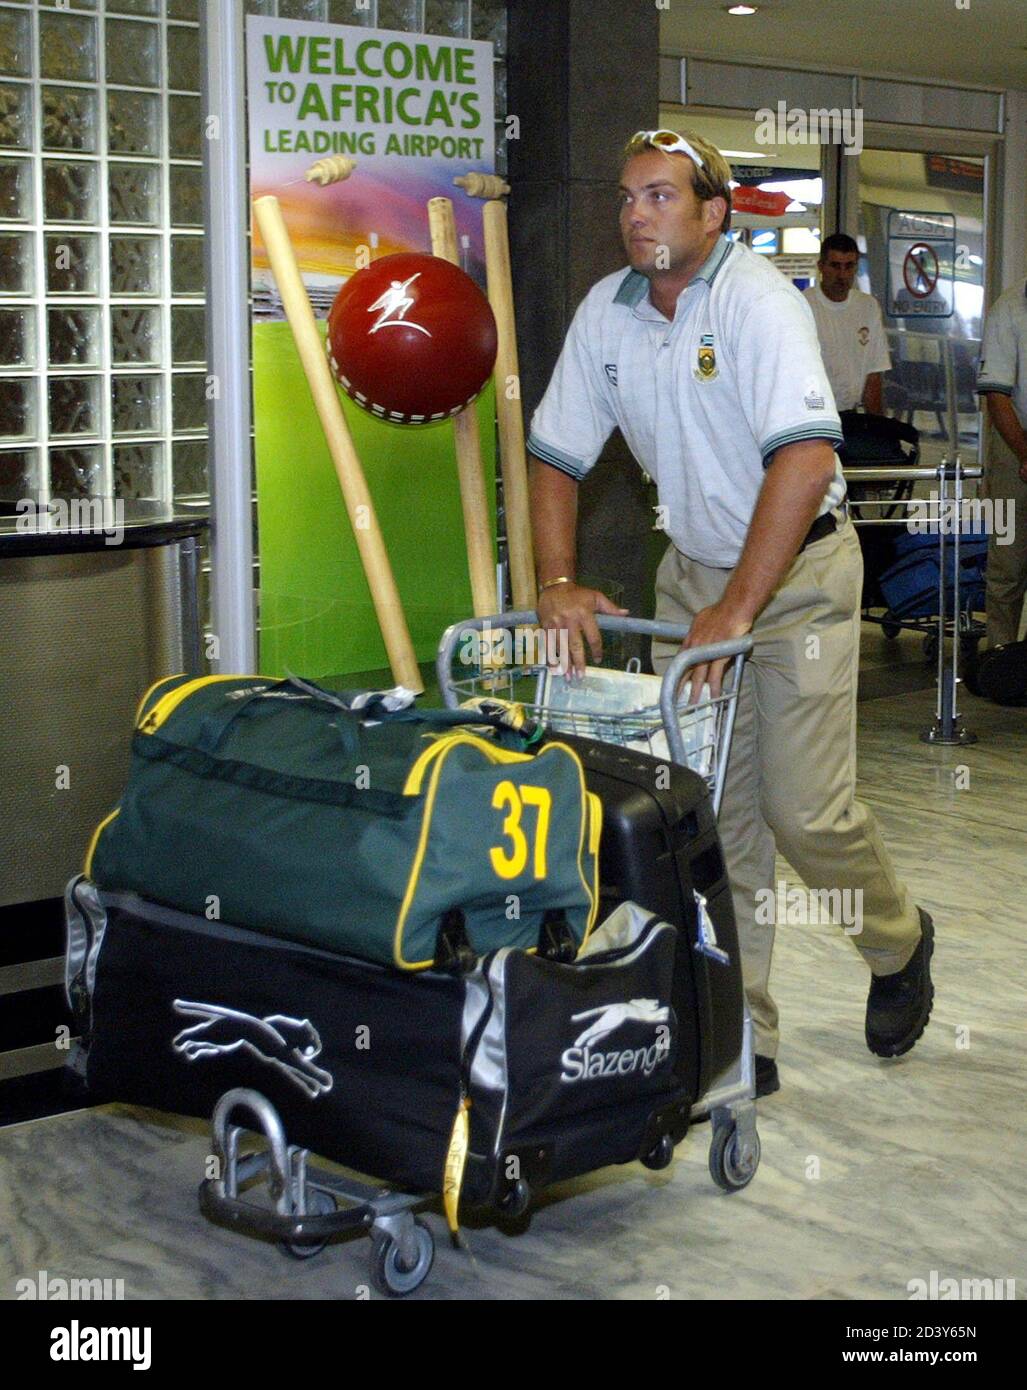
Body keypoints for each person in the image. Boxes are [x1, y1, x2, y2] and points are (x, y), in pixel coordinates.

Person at [527, 129, 934, 1096]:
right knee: (715, 823)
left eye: (661, 197)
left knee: (803, 812)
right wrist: (554, 579)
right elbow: (554, 454)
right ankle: (741, 1037)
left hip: (795, 581)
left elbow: (801, 462)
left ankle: (899, 938)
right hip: (696, 580)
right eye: (627, 198)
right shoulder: (608, 315)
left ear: (714, 213)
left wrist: (739, 607)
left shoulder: (755, 303)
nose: (636, 215)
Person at [977, 278, 1027, 649]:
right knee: (1007, 562)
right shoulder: (1008, 309)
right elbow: (996, 396)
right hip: (1014, 443)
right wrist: (1025, 454)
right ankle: (1000, 652)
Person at [804, 233, 892, 414]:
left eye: (849, 266)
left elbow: (873, 373)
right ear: (821, 267)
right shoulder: (803, 305)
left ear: (856, 268)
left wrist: (877, 430)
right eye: (835, 266)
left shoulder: (868, 307)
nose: (842, 275)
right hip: (813, 415)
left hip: (851, 415)